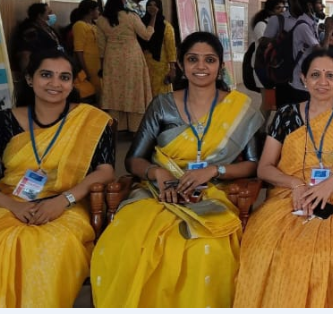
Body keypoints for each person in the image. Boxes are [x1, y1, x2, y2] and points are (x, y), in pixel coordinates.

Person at [90, 32, 264, 308]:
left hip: (211, 194)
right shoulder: (163, 105)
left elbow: (253, 164)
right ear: (181, 65)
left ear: (221, 66)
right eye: (193, 59)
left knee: (205, 249)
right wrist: (158, 174)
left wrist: (214, 170)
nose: (201, 66)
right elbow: (134, 160)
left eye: (210, 60)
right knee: (130, 241)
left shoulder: (239, 110)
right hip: (158, 193)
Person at [0, 49, 115, 307]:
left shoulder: (91, 121)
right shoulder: (3, 122)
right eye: (46, 75)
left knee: (54, 244)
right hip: (9, 202)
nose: (55, 83)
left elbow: (105, 170)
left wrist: (63, 201)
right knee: (3, 243)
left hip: (67, 204)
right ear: (29, 79)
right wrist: (13, 206)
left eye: (64, 77)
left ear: (73, 83)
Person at [234, 50, 333, 307]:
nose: (322, 82)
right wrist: (295, 184)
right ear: (303, 79)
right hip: (288, 196)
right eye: (315, 75)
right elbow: (265, 167)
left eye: (330, 76)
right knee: (264, 247)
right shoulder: (286, 115)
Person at [97, 0, 155, 132]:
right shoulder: (130, 16)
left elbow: (101, 46)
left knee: (115, 91)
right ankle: (136, 127)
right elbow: (146, 35)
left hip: (111, 58)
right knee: (134, 89)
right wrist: (153, 17)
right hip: (132, 57)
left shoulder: (101, 20)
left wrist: (102, 66)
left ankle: (118, 127)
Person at [263, 0, 317, 107]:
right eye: (300, 0)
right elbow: (265, 42)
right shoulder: (278, 20)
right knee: (285, 109)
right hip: (284, 73)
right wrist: (285, 41)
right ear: (292, 1)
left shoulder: (309, 21)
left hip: (302, 74)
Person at [61, 0, 102, 104]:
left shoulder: (94, 25)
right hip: (88, 64)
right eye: (97, 9)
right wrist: (85, 69)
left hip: (97, 63)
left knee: (100, 90)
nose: (98, 12)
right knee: (93, 90)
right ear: (90, 11)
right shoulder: (79, 25)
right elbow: (78, 50)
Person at [140, 0, 178, 96]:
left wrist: (172, 68)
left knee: (161, 93)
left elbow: (171, 48)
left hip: (160, 65)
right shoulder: (140, 24)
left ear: (159, 8)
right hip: (143, 64)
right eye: (149, 5)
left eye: (155, 5)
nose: (152, 7)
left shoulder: (166, 26)